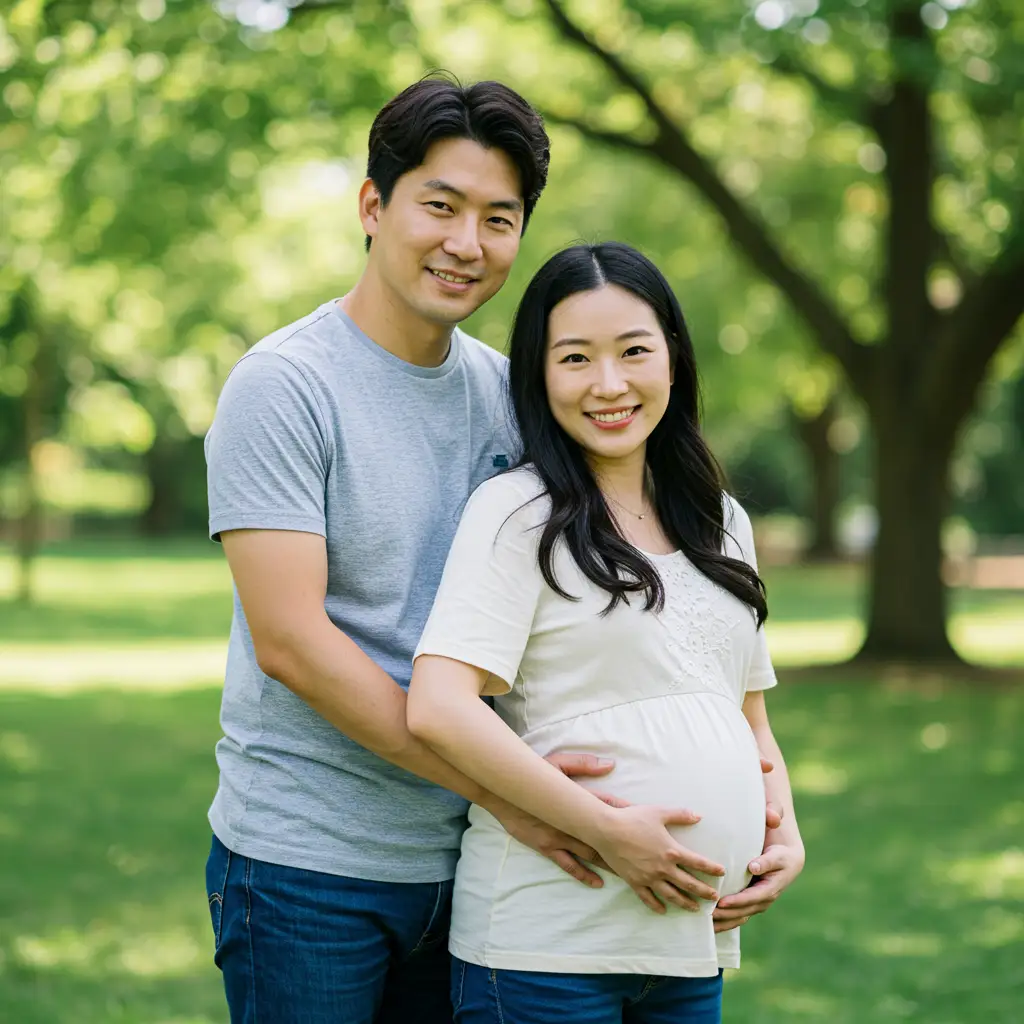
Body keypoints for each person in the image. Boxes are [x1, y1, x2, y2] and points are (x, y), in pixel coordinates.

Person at [202, 76, 620, 1024]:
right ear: (373, 205)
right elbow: (293, 645)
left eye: (498, 219)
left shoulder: (515, 395)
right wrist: (515, 795)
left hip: (474, 858)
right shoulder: (285, 386)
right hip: (308, 865)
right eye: (440, 205)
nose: (466, 244)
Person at [407, 242, 805, 1023]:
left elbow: (748, 716)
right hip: (545, 947)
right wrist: (610, 832)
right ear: (538, 374)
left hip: (688, 946)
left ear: (674, 358)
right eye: (575, 358)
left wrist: (784, 832)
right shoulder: (518, 514)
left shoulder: (720, 520)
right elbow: (438, 708)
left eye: (633, 351)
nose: (609, 384)